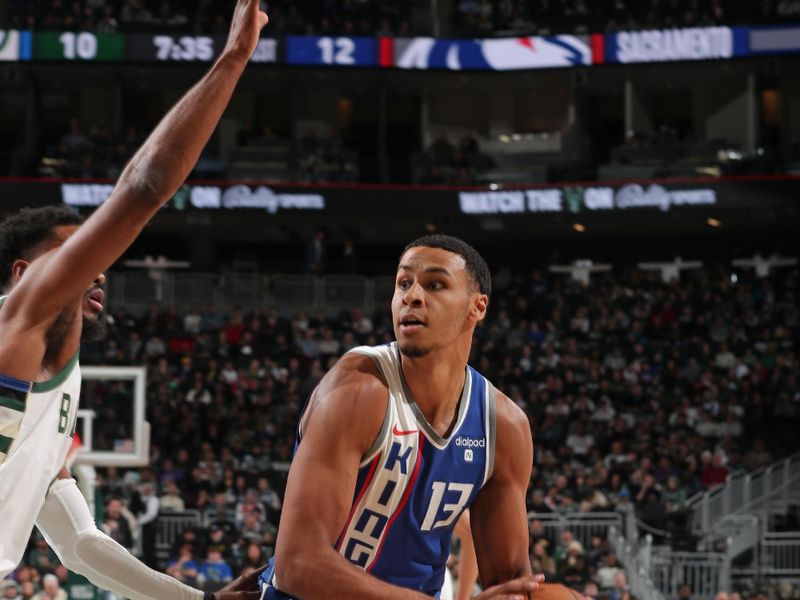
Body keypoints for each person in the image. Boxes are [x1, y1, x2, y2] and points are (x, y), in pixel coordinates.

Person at [0, 1, 267, 599]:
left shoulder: (57, 386)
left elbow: (81, 546)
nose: (97, 270)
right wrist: (233, 59)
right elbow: (143, 188)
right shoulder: (12, 319)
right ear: (23, 274)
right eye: (79, 257)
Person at [251, 235, 541, 598]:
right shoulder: (357, 391)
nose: (412, 296)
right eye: (404, 283)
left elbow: (510, 583)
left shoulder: (503, 426)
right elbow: (299, 565)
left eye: (434, 284)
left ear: (477, 307)